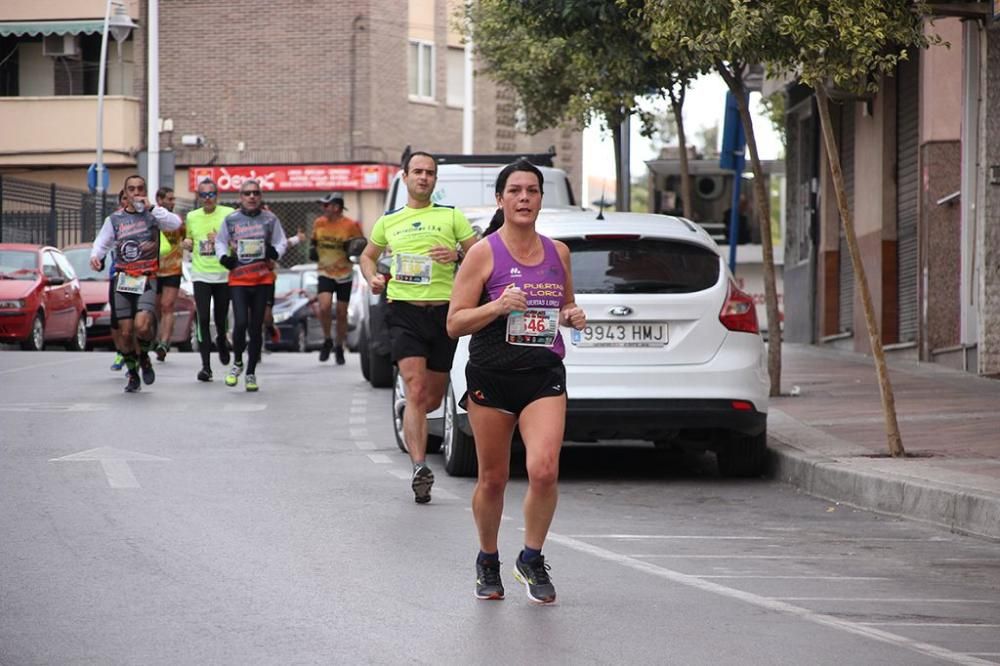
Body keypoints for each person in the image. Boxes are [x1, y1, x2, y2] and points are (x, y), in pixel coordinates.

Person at [446, 159, 586, 604]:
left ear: (541, 198)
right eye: (516, 191)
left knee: (544, 470)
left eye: (532, 191)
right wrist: (497, 306)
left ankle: (530, 557)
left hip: (542, 374)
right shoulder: (483, 253)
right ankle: (488, 558)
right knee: (493, 478)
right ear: (501, 199)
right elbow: (455, 323)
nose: (524, 198)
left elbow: (564, 308)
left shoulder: (557, 253)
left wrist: (572, 316)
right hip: (491, 376)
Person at [359, 151, 478, 503]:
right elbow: (367, 256)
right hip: (404, 311)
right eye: (417, 172)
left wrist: (457, 255)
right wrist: (373, 278)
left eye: (429, 173)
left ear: (435, 180)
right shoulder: (389, 221)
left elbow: (481, 254)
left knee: (429, 398)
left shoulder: (451, 216)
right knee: (414, 387)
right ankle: (420, 467)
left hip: (444, 313)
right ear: (406, 177)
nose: (424, 177)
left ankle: (412, 416)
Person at [90, 174, 183, 392]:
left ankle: (145, 358)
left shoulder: (154, 216)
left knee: (143, 326)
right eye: (131, 189)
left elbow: (176, 223)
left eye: (140, 188)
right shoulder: (115, 219)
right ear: (125, 193)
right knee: (125, 332)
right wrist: (96, 257)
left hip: (146, 278)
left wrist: (152, 208)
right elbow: (101, 243)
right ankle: (133, 374)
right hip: (123, 278)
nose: (136, 193)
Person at [216, 179, 287, 391]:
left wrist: (275, 252)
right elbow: (220, 241)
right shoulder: (231, 219)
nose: (252, 197)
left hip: (262, 279)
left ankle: (250, 373)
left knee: (256, 328)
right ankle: (237, 362)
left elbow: (280, 241)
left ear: (261, 196)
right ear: (241, 197)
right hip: (238, 278)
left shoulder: (270, 219)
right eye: (247, 193)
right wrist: (223, 258)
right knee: (240, 324)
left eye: (256, 193)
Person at [183, 179, 234, 382]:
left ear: (217, 195)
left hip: (223, 275)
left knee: (220, 319)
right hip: (201, 275)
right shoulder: (192, 217)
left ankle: (221, 339)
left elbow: (236, 242)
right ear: (198, 197)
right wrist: (186, 243)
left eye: (211, 194)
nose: (207, 198)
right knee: (202, 318)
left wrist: (221, 240)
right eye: (203, 195)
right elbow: (189, 240)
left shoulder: (228, 214)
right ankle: (206, 367)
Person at [310, 192, 364, 364]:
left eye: (327, 205)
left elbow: (360, 245)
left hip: (344, 273)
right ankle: (327, 339)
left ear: (337, 207)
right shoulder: (319, 223)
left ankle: (339, 346)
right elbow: (314, 241)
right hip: (325, 271)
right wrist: (313, 249)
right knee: (324, 307)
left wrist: (353, 251)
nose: (324, 208)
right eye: (323, 205)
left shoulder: (350, 225)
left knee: (341, 313)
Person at [153, 187, 184, 362]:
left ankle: (164, 343)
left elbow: (189, 238)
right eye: (170, 199)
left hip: (173, 269)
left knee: (167, 305)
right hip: (154, 269)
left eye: (174, 199)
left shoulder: (177, 221)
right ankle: (158, 338)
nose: (173, 202)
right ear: (159, 200)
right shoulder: (152, 219)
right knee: (156, 307)